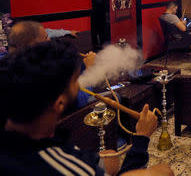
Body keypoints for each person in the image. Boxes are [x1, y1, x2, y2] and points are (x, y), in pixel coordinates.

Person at [0, 40, 173, 175]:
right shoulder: (63, 167)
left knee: (111, 161)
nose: (79, 83)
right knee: (164, 170)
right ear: (59, 104)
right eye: (75, 80)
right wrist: (141, 138)